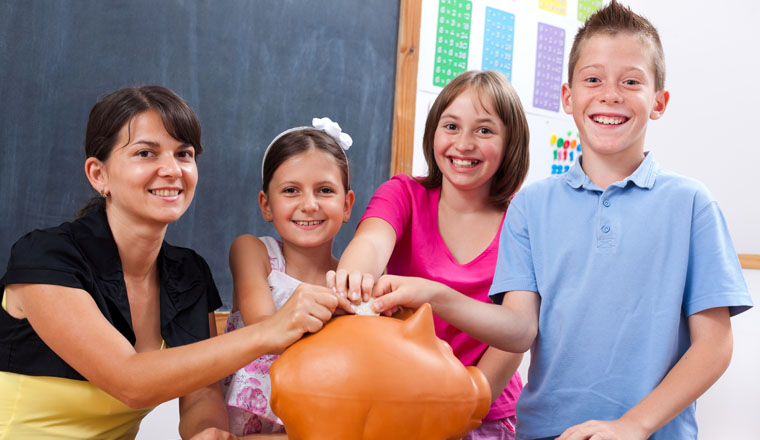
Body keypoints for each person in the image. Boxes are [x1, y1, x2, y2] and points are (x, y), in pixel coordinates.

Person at [365, 2, 753, 439]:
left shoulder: (691, 204)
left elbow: (715, 345)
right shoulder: (531, 207)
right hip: (546, 431)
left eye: (631, 81)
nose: (610, 94)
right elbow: (518, 328)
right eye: (593, 79)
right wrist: (436, 294)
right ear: (568, 97)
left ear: (659, 102)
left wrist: (633, 426)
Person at [0, 86, 346, 440]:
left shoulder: (187, 273)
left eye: (184, 154)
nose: (171, 170)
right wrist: (271, 330)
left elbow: (200, 394)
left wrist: (206, 431)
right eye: (146, 153)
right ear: (98, 175)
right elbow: (130, 381)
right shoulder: (47, 257)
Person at [329, 70, 529, 439]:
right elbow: (373, 240)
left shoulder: (521, 221)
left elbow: (516, 334)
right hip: (402, 405)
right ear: (433, 132)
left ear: (510, 144)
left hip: (484, 414)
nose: (463, 144)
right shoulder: (403, 193)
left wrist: (465, 405)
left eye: (484, 131)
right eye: (451, 126)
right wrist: (356, 272)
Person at [222, 118, 356, 435]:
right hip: (246, 431)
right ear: (266, 205)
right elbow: (264, 327)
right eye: (291, 191)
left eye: (325, 190)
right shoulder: (253, 252)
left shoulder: (350, 279)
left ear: (347, 204)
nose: (308, 205)